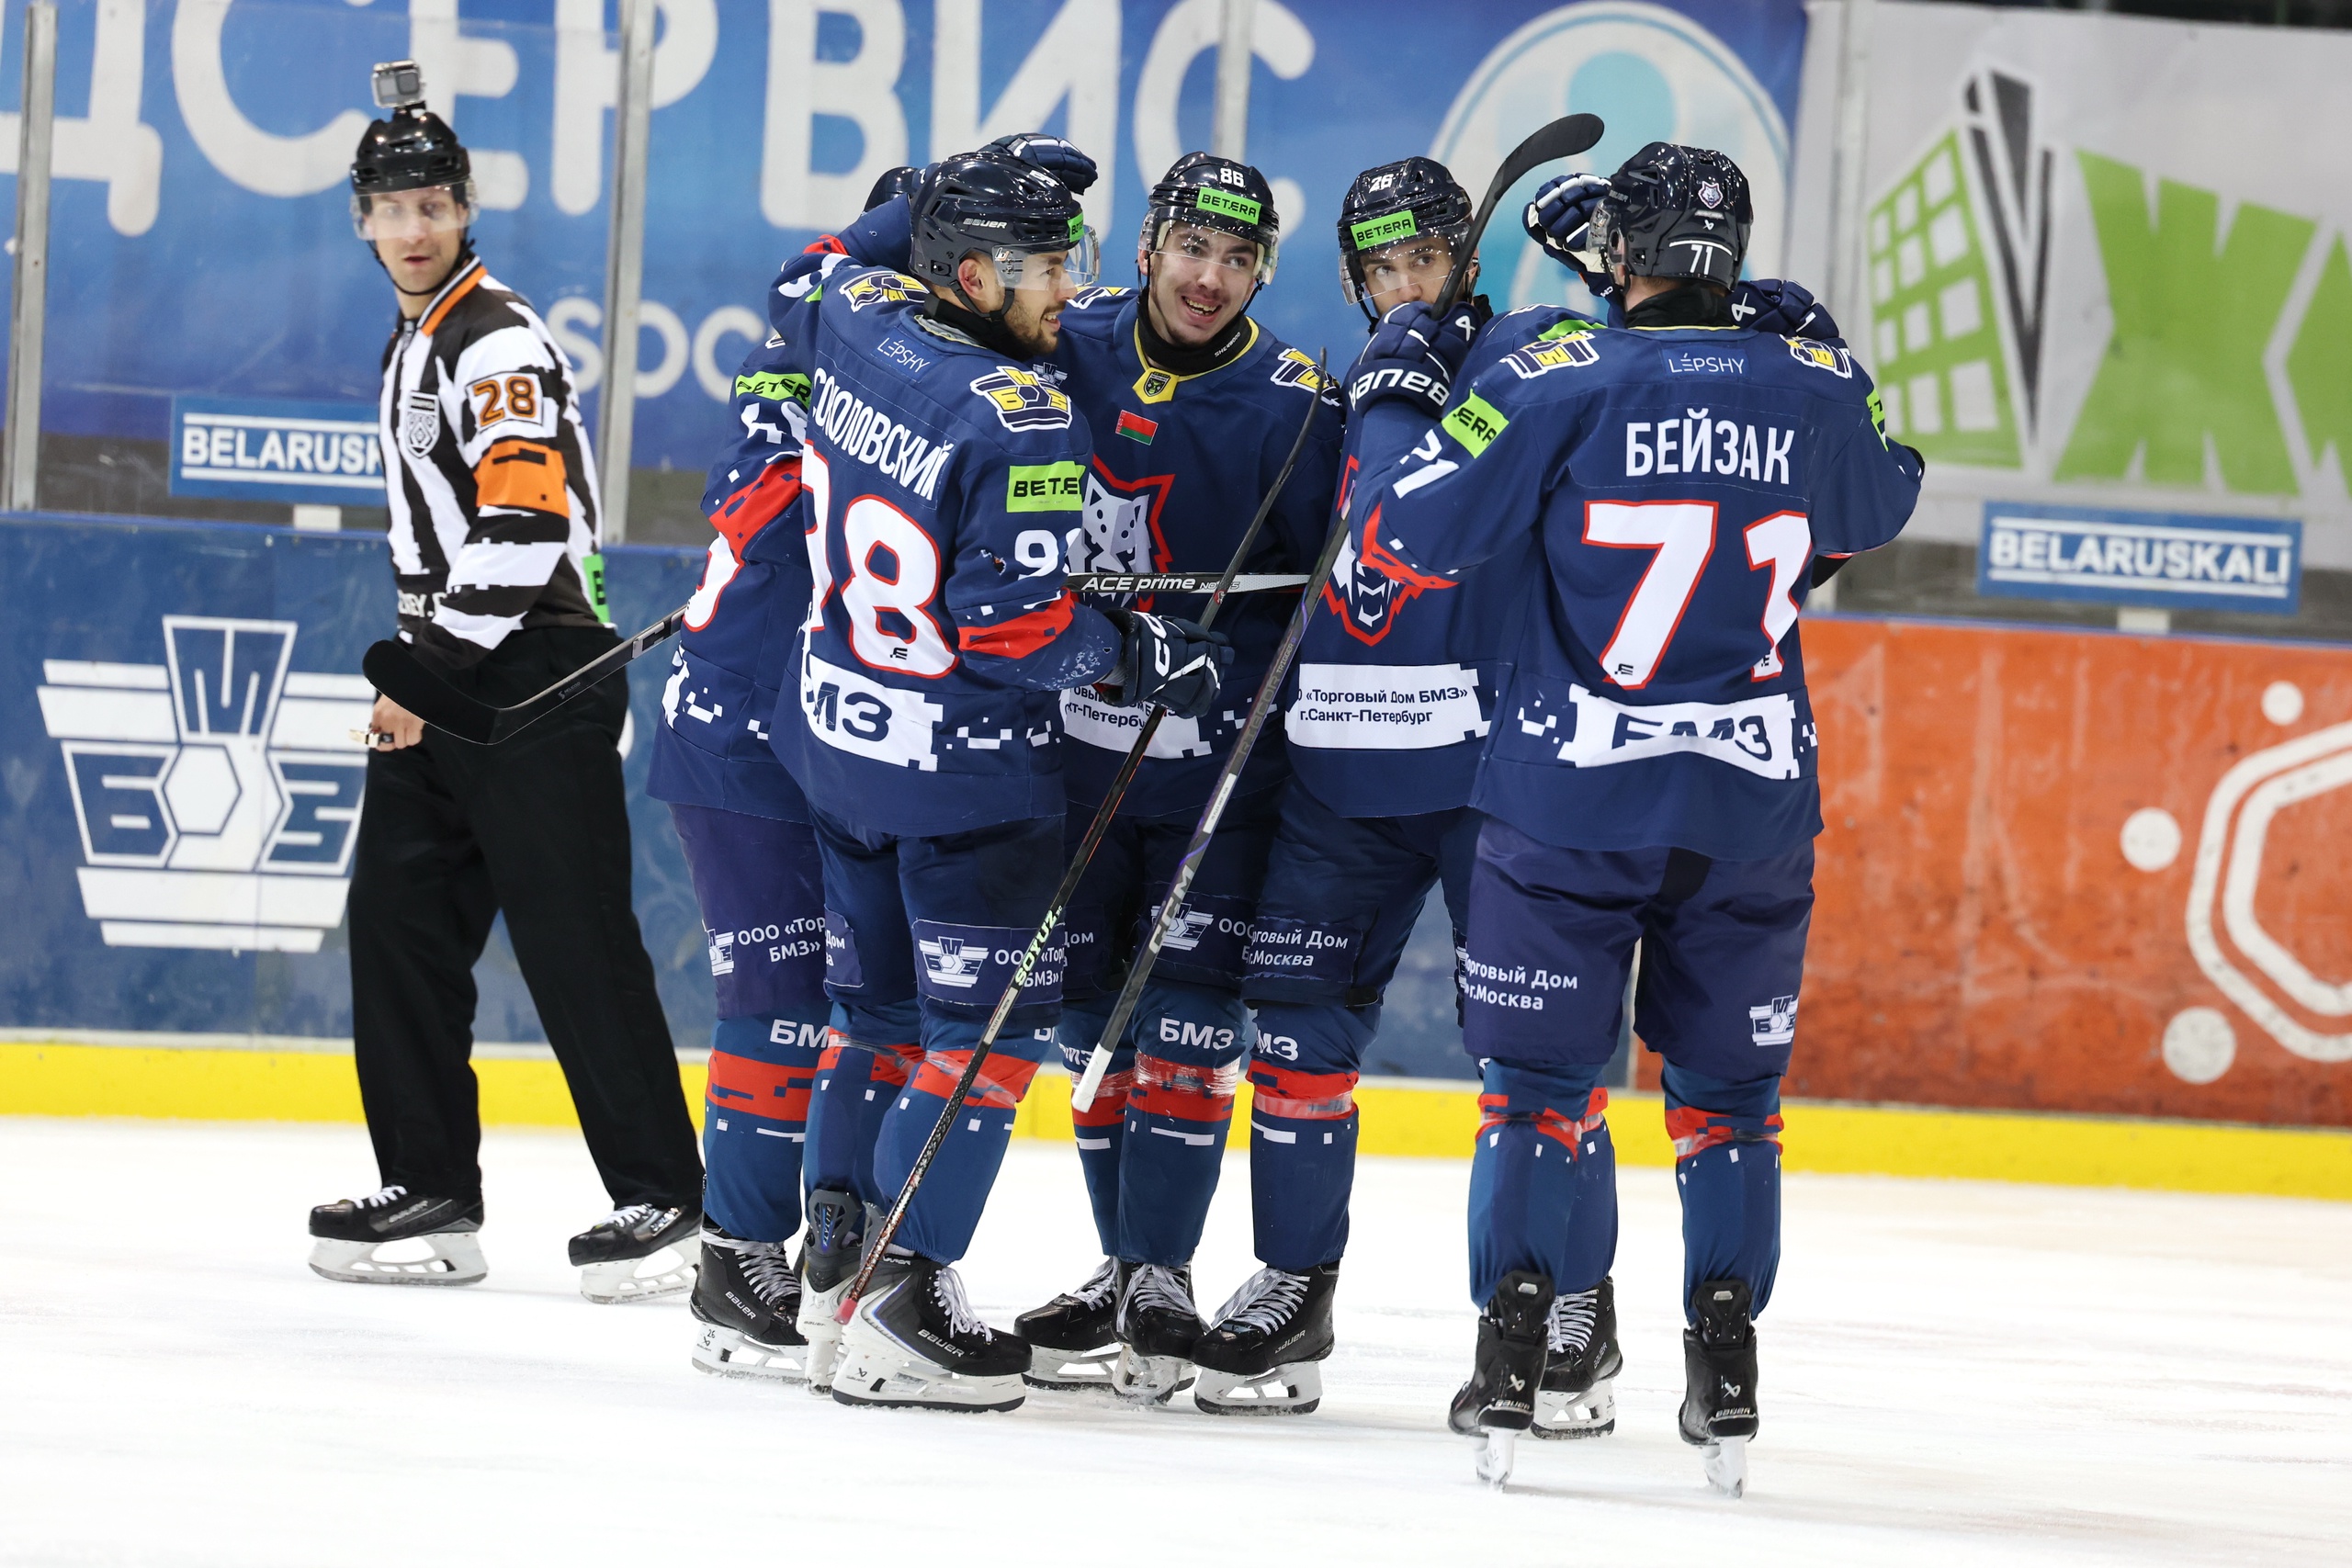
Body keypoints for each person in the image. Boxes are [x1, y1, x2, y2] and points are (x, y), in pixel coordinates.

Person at [1213, 155, 1846, 1425]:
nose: (1407, 284)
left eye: (1428, 260)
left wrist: (1621, 287)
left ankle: (1572, 1308)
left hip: (1493, 768)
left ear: (1469, 261)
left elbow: (1690, 411)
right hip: (1341, 763)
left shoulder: (1542, 357)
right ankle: (1295, 1284)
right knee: (1292, 1036)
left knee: (1550, 1061)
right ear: (1351, 277)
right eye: (1383, 266)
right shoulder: (1325, 390)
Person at [1344, 141, 1923, 1489]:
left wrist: (1398, 395)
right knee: (1731, 1110)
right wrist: (1802, 342)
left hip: (1572, 801)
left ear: (1621, 254)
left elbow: (1399, 535)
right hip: (1750, 810)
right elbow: (1877, 498)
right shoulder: (1810, 381)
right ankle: (1726, 1361)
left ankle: (1514, 1347)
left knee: (1537, 1098)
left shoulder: (1557, 375)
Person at [786, 148, 1230, 1413]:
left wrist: (933, 191)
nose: (1068, 291)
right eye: (1044, 268)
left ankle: (833, 1274)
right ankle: (904, 1298)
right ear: (975, 276)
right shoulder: (1020, 415)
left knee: (870, 1019)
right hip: (960, 778)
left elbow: (822, 263)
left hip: (840, 742)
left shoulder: (854, 313)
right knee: (988, 1039)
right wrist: (1136, 653)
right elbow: (1013, 631)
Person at [306, 62, 705, 1303]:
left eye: (433, 204)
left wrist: (424, 674)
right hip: (455, 670)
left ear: (465, 209)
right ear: (362, 221)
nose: (413, 227)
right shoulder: (420, 336)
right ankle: (431, 1187)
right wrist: (428, 672)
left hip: (529, 673)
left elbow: (525, 528)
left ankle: (669, 1202)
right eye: (392, 208)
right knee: (400, 926)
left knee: (575, 941)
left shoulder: (495, 337)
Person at [650, 170, 926, 1380]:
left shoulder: (921, 373)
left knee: (873, 1000)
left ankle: (837, 1238)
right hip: (742, 730)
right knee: (779, 999)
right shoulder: (811, 348)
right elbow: (757, 500)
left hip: (839, 734)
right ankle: (735, 1257)